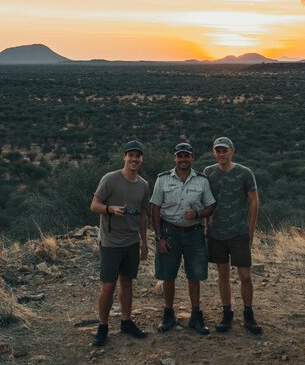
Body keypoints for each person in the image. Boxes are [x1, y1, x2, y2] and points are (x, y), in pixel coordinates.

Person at [89, 140, 151, 347]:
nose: (134, 159)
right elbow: (94, 205)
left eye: (138, 156)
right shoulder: (110, 179)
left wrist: (144, 242)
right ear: (124, 156)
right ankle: (103, 326)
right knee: (108, 285)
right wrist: (110, 209)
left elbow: (143, 215)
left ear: (141, 159)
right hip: (110, 242)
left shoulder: (143, 185)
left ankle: (126, 321)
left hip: (132, 242)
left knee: (127, 282)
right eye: (130, 155)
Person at [151, 142, 216, 335]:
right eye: (179, 156)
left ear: (192, 158)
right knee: (168, 274)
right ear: (175, 158)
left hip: (194, 232)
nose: (183, 159)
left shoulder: (202, 181)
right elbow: (154, 208)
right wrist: (158, 237)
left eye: (186, 156)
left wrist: (197, 214)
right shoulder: (162, 179)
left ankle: (196, 316)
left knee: (194, 275)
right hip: (169, 232)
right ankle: (168, 314)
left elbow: (211, 206)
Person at [204, 136, 262, 334]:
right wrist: (206, 228)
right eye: (218, 151)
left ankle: (248, 314)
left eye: (225, 150)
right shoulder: (208, 173)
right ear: (214, 152)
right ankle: (227, 313)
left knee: (245, 275)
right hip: (217, 231)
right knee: (223, 273)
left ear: (232, 151)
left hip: (238, 232)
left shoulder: (245, 173)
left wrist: (250, 229)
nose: (221, 154)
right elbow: (206, 202)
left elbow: (254, 201)